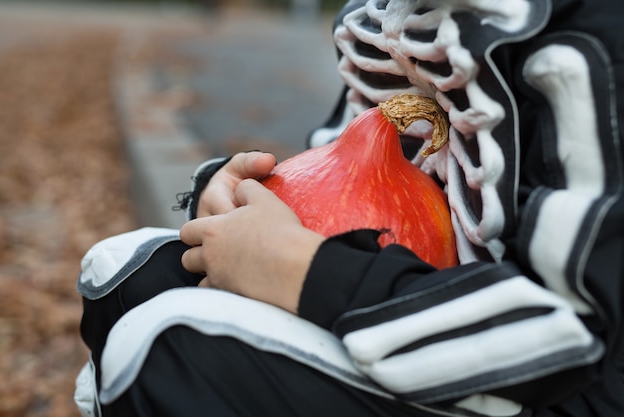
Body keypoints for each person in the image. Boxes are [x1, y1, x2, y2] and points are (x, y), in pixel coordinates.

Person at [75, 0, 624, 416]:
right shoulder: (388, 13)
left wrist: (303, 272)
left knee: (168, 347)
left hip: (534, 384)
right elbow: (355, 164)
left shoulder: (589, 43)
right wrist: (238, 198)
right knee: (129, 275)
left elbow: (577, 340)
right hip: (385, 285)